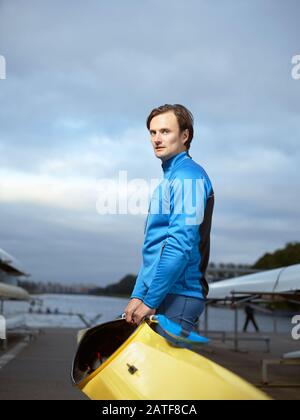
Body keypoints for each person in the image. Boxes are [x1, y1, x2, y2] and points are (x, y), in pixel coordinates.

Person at [124, 104, 215, 348]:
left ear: (185, 136)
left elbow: (179, 245)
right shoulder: (169, 179)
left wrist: (149, 299)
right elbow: (154, 247)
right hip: (162, 293)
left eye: (165, 131)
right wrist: (138, 294)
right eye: (153, 133)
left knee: (166, 384)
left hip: (180, 294)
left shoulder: (188, 176)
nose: (156, 139)